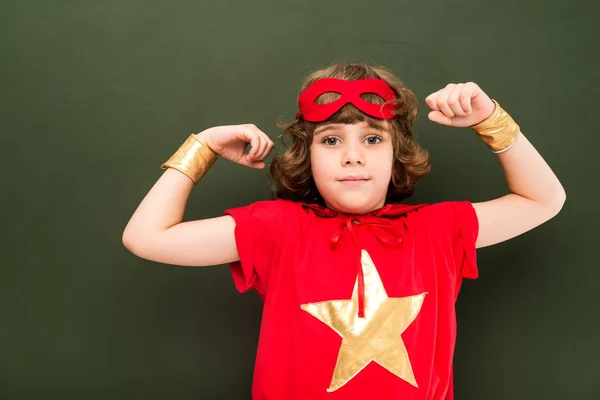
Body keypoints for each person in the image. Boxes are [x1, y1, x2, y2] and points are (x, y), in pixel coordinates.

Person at [122, 63, 566, 399]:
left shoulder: (437, 229)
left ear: (398, 153)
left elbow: (543, 199)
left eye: (373, 139)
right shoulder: (276, 228)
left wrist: (490, 119)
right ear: (306, 154)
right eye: (331, 140)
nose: (352, 157)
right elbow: (146, 237)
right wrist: (203, 147)